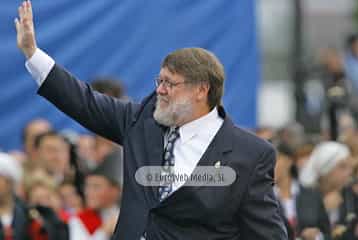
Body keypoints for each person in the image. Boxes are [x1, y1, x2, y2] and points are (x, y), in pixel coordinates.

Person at [14, 1, 287, 239]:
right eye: (160, 81)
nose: (159, 90)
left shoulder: (250, 154)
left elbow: (266, 233)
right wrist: (33, 55)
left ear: (202, 90)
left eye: (170, 83)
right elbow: (84, 101)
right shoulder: (140, 121)